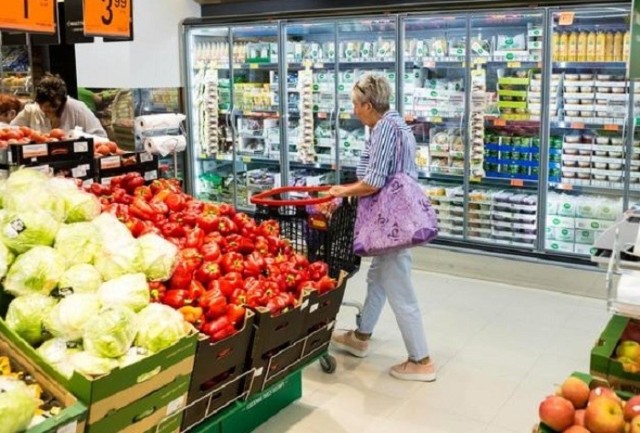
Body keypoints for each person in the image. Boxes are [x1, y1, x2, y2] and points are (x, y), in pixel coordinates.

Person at [328, 73, 435, 382]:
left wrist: (342, 191)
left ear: (369, 104)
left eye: (355, 104)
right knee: (378, 277)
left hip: (391, 222)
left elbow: (374, 182)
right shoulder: (391, 123)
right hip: (392, 220)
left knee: (398, 286)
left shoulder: (385, 129)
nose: (353, 110)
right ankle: (361, 337)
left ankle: (421, 359)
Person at [11, 74, 108, 138]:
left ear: (63, 100)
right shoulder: (31, 111)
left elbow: (101, 137)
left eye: (52, 106)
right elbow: (10, 132)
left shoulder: (77, 109)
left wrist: (77, 136)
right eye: (41, 105)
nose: (45, 109)